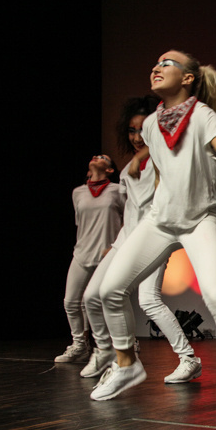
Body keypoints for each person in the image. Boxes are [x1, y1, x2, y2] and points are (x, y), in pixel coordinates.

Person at [93, 51, 216, 410]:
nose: (157, 67)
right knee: (110, 290)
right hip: (161, 220)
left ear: (187, 78)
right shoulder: (151, 125)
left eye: (167, 63)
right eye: (155, 62)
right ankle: (127, 364)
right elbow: (162, 168)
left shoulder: (203, 116)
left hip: (200, 219)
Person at [81, 96, 203, 384]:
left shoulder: (164, 160)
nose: (136, 137)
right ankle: (110, 350)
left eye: (142, 130)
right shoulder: (126, 170)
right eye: (131, 131)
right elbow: (130, 212)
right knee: (91, 296)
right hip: (126, 240)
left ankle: (188, 359)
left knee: (148, 299)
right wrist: (114, 244)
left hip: (153, 239)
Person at [57, 155, 124, 363]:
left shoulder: (117, 190)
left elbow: (129, 219)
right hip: (82, 252)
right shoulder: (77, 192)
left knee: (103, 301)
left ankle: (119, 345)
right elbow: (80, 223)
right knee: (71, 301)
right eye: (95, 156)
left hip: (106, 253)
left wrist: (116, 245)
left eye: (103, 158)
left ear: (110, 170)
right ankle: (80, 344)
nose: (97, 157)